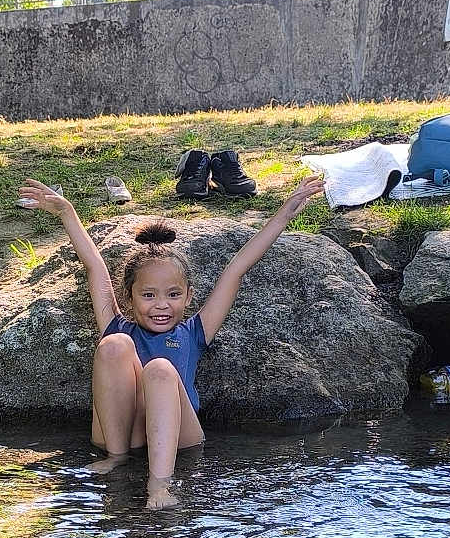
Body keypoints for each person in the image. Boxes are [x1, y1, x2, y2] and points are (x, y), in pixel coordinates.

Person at [17, 175, 326, 509]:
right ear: (129, 297)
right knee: (113, 346)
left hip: (180, 436)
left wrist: (285, 212)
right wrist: (67, 212)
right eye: (148, 295)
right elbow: (94, 266)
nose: (161, 305)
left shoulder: (195, 331)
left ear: (188, 296)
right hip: (126, 434)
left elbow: (237, 268)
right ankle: (115, 459)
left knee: (160, 369)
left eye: (173, 295)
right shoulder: (117, 325)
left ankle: (159, 485)